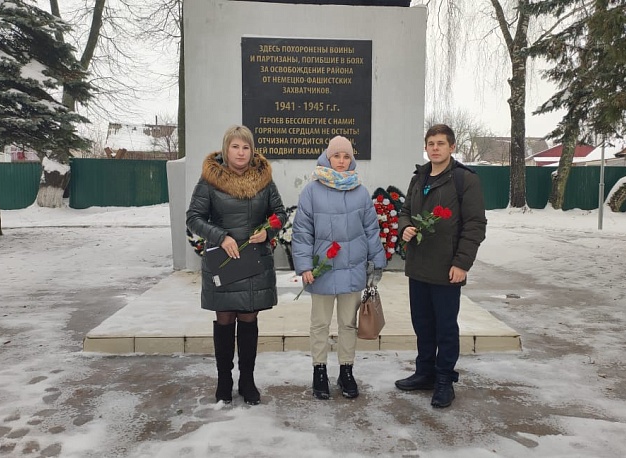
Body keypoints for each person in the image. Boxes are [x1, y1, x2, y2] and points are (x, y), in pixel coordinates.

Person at [186, 125, 287, 406]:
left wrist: (268, 231)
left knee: (249, 319)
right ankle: (224, 380)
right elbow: (194, 217)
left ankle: (247, 380)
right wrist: (220, 236)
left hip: (253, 261)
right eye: (235, 147)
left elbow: (279, 214)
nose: (241, 152)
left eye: (246, 147)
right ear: (225, 149)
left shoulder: (263, 180)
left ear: (251, 150)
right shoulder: (210, 181)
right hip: (223, 262)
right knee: (225, 319)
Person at [395, 124, 487, 408]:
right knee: (422, 324)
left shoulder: (464, 180)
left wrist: (462, 263)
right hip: (418, 266)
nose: (435, 148)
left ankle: (444, 379)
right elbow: (405, 211)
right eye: (431, 143)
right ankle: (425, 372)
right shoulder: (419, 176)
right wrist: (405, 227)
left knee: (445, 327)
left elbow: (475, 225)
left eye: (440, 143)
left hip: (447, 269)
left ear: (452, 147)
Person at [291, 136, 387, 400]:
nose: (342, 161)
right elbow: (302, 232)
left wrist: (377, 261)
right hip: (322, 270)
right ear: (328, 157)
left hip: (352, 269)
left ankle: (346, 370)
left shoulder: (360, 191)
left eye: (346, 156)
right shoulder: (311, 191)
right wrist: (304, 265)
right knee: (320, 324)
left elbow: (371, 230)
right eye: (337, 156)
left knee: (348, 324)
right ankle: (318, 371)